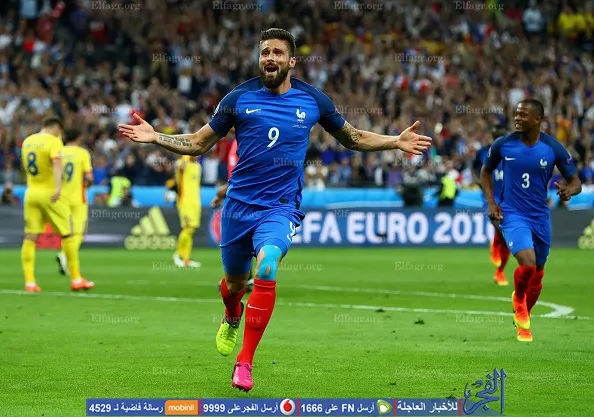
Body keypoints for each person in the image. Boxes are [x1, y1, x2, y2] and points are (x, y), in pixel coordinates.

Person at [118, 28, 431, 391]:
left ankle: (245, 362)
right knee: (235, 284)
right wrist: (156, 137)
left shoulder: (313, 100)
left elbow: (354, 138)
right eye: (265, 52)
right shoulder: (238, 98)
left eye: (278, 53)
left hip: (280, 208)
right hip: (238, 208)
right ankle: (232, 312)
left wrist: (395, 141)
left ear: (291, 61)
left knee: (267, 266)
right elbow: (199, 143)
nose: (270, 58)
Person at [481, 99, 581, 343]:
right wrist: (491, 202)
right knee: (527, 262)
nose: (517, 118)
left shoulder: (552, 148)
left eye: (523, 115)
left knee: (537, 273)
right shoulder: (503, 144)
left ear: (538, 120)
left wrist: (569, 190)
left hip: (540, 216)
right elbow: (485, 172)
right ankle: (518, 300)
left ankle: (524, 311)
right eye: (516, 114)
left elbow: (575, 181)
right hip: (513, 213)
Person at [20, 117, 93, 293]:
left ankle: (30, 282)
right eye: (59, 131)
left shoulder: (27, 141)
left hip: (31, 192)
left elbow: (25, 167)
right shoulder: (53, 141)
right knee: (68, 234)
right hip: (50, 194)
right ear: (55, 128)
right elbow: (56, 163)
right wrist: (58, 187)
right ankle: (76, 279)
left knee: (30, 237)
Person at [211, 128, 255, 292]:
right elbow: (235, 175)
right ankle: (245, 278)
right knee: (242, 239)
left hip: (247, 197)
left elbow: (247, 174)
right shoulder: (235, 142)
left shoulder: (247, 142)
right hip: (236, 197)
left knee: (240, 238)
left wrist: (222, 192)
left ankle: (242, 278)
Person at [55, 128, 95, 292]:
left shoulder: (59, 151)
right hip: (78, 198)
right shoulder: (82, 153)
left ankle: (65, 254)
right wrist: (87, 185)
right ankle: (65, 255)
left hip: (60, 197)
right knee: (78, 232)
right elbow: (89, 177)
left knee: (66, 232)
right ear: (79, 137)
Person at [473, 124, 511, 286]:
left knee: (508, 237)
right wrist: (480, 182)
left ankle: (500, 271)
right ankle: (497, 241)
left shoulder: (512, 153)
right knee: (502, 231)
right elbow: (474, 167)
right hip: (490, 199)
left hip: (508, 200)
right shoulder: (483, 152)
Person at [172, 155, 202, 268]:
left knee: (191, 229)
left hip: (195, 201)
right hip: (185, 201)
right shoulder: (182, 162)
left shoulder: (198, 166)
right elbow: (179, 168)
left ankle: (186, 259)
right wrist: (186, 156)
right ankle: (177, 255)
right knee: (188, 228)